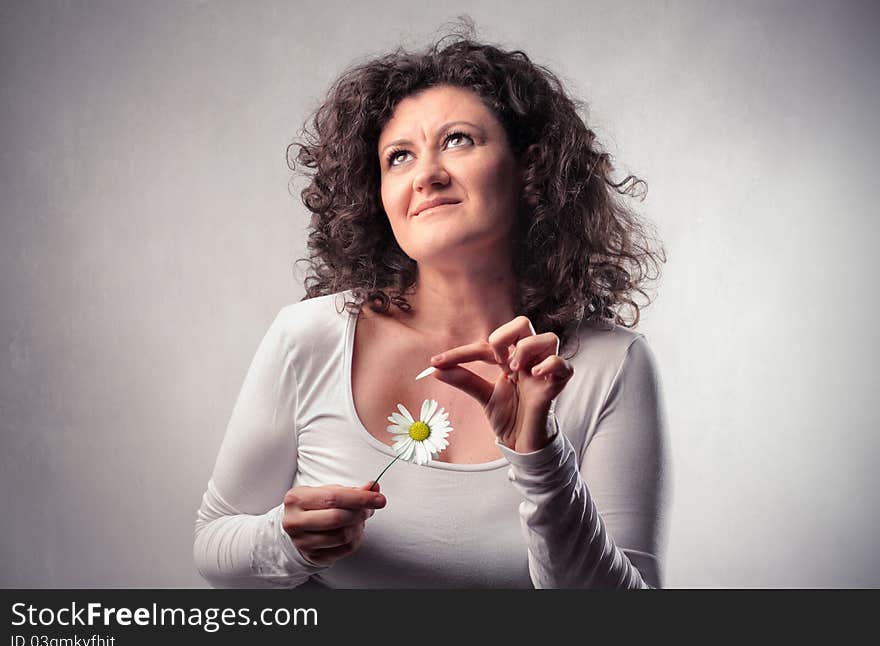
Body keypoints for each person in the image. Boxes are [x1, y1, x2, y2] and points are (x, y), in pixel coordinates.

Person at [193, 29, 671, 589]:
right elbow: (213, 544)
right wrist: (285, 542)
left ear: (529, 169)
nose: (427, 175)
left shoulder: (612, 365)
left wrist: (540, 460)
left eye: (459, 141)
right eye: (399, 157)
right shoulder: (309, 337)